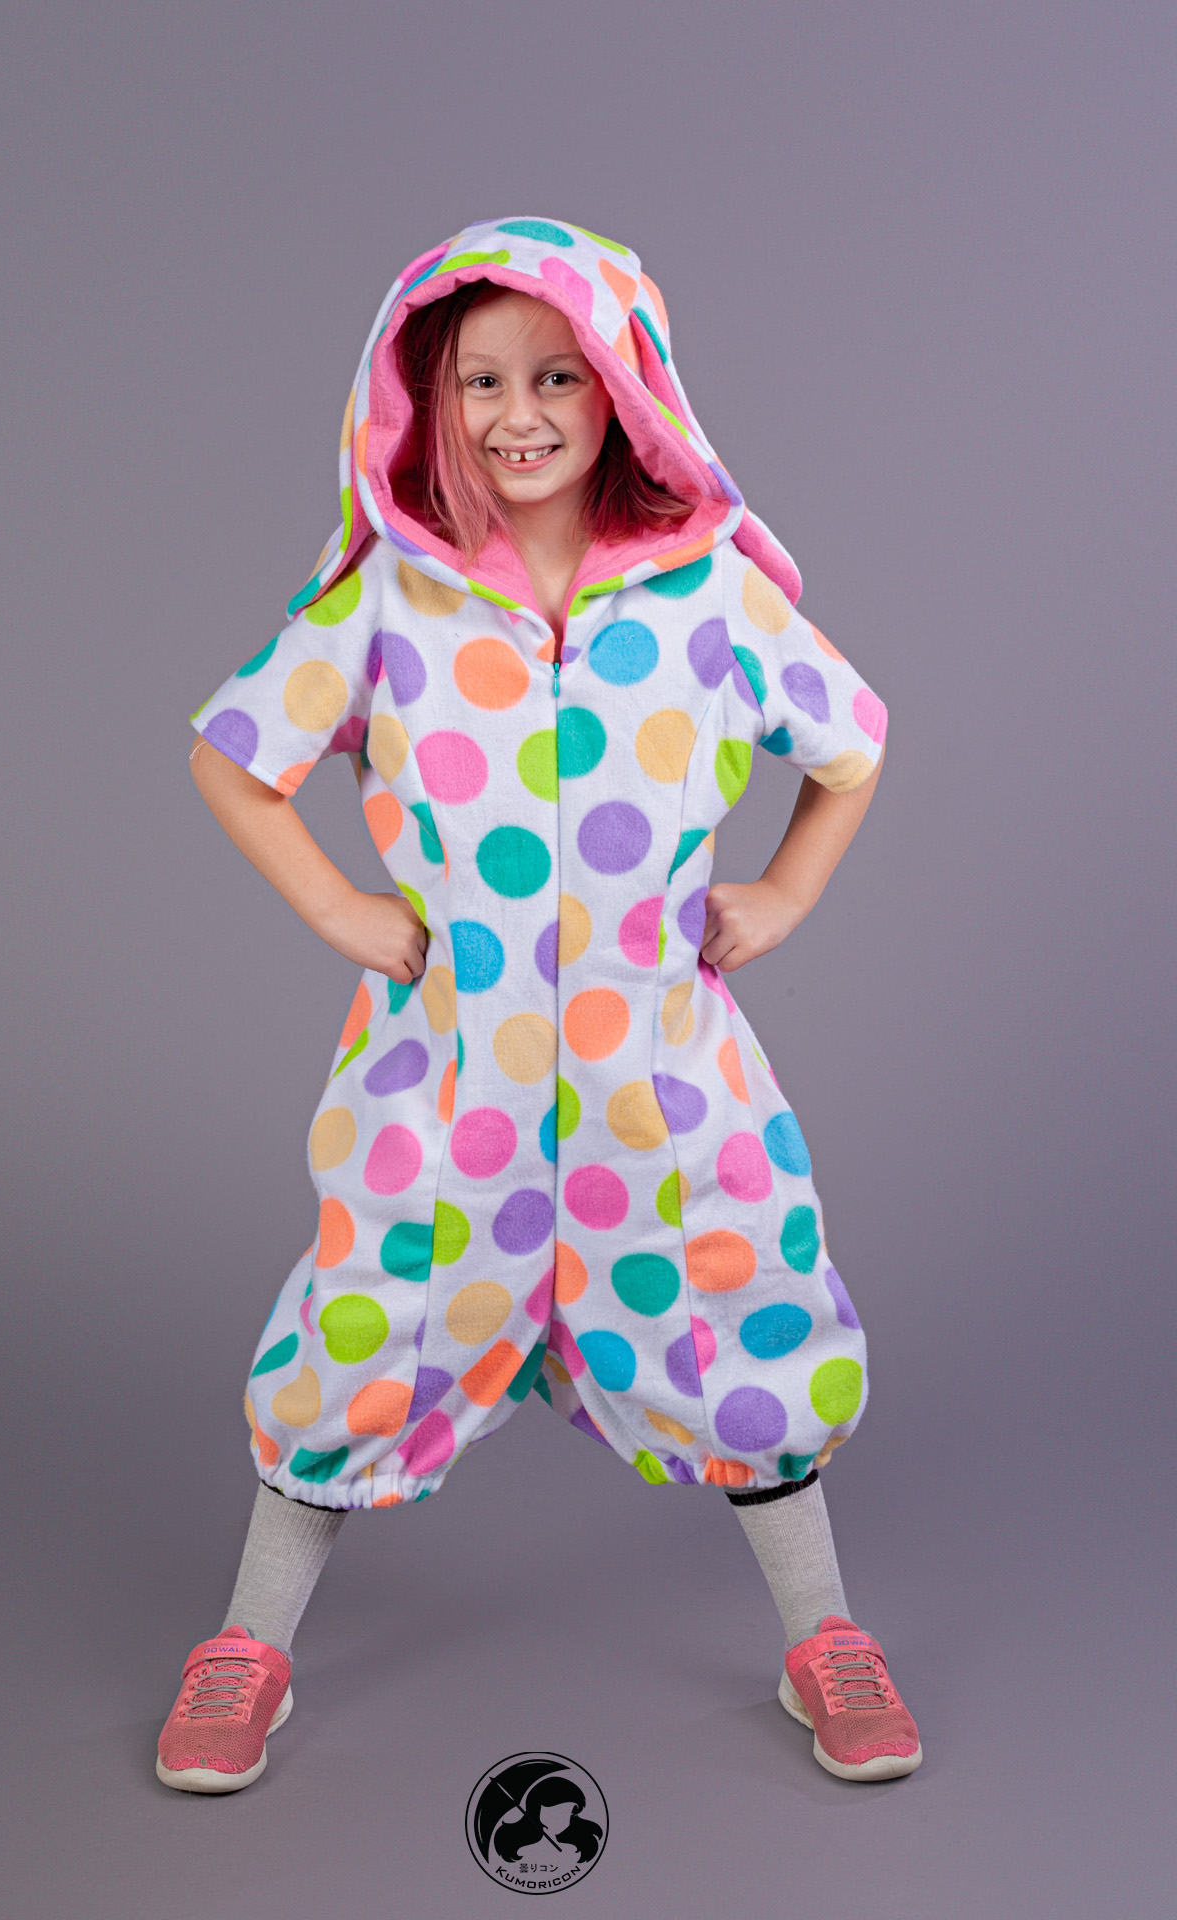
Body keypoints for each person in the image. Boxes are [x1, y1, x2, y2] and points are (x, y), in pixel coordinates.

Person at [156, 217, 921, 1794]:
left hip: (666, 1087)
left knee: (741, 1318)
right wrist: (341, 911)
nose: (520, 413)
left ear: (628, 392)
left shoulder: (710, 597)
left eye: (560, 376)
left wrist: (783, 894)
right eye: (482, 379)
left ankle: (826, 1637)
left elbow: (850, 745)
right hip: (448, 1088)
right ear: (426, 397)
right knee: (359, 1330)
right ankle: (245, 1647)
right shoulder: (393, 598)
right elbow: (235, 752)